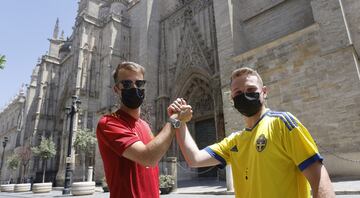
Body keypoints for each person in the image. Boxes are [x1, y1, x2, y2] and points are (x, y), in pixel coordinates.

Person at [170, 67, 335, 198]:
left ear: (264, 91)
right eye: (238, 93)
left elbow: (319, 178)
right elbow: (195, 159)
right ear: (232, 99)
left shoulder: (282, 123)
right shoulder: (234, 141)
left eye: (250, 89)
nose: (245, 95)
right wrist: (179, 122)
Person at [96, 62, 192, 198]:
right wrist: (176, 119)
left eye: (139, 84)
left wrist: (178, 118)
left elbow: (156, 153)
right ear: (116, 89)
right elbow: (149, 157)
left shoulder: (145, 126)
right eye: (127, 84)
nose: (134, 88)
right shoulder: (109, 123)